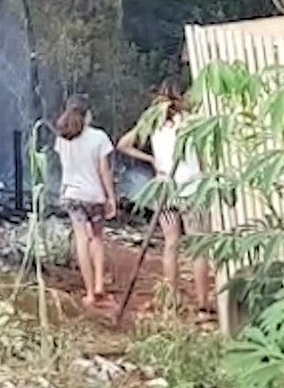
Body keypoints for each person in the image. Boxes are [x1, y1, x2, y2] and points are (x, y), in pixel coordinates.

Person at [116, 80, 214, 322]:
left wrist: (151, 160)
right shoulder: (193, 121)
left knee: (171, 242)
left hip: (165, 189)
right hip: (192, 189)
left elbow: (123, 145)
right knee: (198, 246)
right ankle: (203, 304)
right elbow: (203, 157)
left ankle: (172, 300)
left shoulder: (153, 122)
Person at [53, 95, 118, 308]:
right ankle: (99, 286)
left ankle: (89, 293)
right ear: (87, 114)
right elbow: (104, 170)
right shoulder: (98, 137)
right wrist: (111, 196)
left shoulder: (62, 137)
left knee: (81, 240)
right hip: (93, 196)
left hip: (71, 195)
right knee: (97, 238)